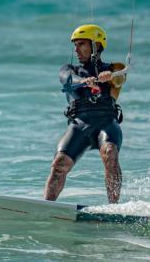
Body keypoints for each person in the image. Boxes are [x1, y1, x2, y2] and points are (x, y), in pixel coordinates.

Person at [44, 24, 126, 204]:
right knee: (59, 164)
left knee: (110, 153)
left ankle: (114, 207)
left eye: (81, 44)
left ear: (96, 46)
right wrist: (84, 81)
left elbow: (121, 77)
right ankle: (47, 206)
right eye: (75, 45)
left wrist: (110, 76)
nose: (76, 49)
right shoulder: (69, 69)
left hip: (107, 123)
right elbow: (67, 80)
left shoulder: (114, 68)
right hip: (79, 125)